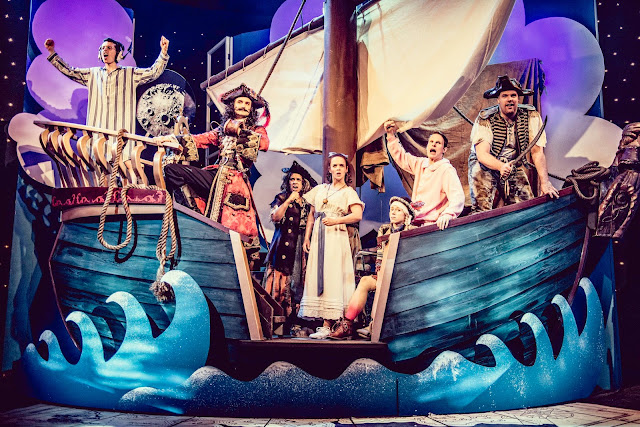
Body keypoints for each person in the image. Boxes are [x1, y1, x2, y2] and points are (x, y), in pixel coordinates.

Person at [156, 83, 270, 262]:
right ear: (232, 105)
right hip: (216, 175)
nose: (243, 106)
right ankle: (194, 215)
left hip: (235, 181)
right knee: (172, 170)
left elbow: (264, 144)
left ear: (251, 109)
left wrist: (241, 131)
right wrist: (171, 139)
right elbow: (200, 139)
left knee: (234, 226)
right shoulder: (222, 130)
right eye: (240, 102)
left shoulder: (256, 129)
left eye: (247, 104)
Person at [44, 36, 169, 162]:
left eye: (109, 48)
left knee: (122, 168)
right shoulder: (93, 74)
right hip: (97, 137)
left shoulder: (130, 74)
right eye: (102, 48)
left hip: (120, 137)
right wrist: (52, 52)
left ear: (118, 53)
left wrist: (163, 53)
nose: (105, 50)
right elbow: (70, 72)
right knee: (97, 167)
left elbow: (153, 72)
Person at [467, 75, 559, 212]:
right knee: (482, 204)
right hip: (485, 164)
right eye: (505, 96)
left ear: (518, 98)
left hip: (511, 164)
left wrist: (545, 183)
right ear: (498, 99)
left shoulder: (530, 116)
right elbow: (482, 154)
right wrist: (500, 166)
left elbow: (537, 152)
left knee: (526, 206)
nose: (509, 99)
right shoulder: (485, 118)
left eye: (513, 95)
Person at [329, 196, 416, 340]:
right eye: (392, 209)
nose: (393, 213)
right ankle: (347, 324)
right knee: (365, 281)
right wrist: (380, 272)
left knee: (383, 285)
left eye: (398, 210)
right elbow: (380, 255)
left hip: (402, 276)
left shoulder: (412, 230)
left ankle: (374, 326)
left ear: (406, 214)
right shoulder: (384, 229)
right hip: (385, 273)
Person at [299, 153, 364, 339]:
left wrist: (337, 220)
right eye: (334, 165)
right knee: (318, 274)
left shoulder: (348, 192)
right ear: (329, 169)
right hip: (319, 237)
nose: (338, 168)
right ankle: (324, 323)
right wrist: (307, 237)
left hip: (336, 237)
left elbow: (357, 215)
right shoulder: (320, 190)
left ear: (346, 169)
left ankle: (329, 324)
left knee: (332, 275)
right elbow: (312, 215)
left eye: (341, 165)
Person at [263, 161, 317, 333]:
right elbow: (275, 217)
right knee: (279, 282)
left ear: (303, 183)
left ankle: (295, 321)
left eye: (298, 180)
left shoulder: (307, 202)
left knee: (297, 282)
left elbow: (311, 221)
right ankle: (276, 322)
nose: (294, 182)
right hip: (283, 244)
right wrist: (288, 201)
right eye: (292, 179)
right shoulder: (281, 198)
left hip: (299, 244)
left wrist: (307, 239)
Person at [384, 121, 465, 229]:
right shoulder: (421, 164)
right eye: (431, 142)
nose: (433, 144)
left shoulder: (446, 170)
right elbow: (402, 157)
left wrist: (448, 214)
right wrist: (390, 135)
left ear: (444, 150)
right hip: (415, 223)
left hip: (433, 225)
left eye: (438, 143)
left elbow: (457, 196)